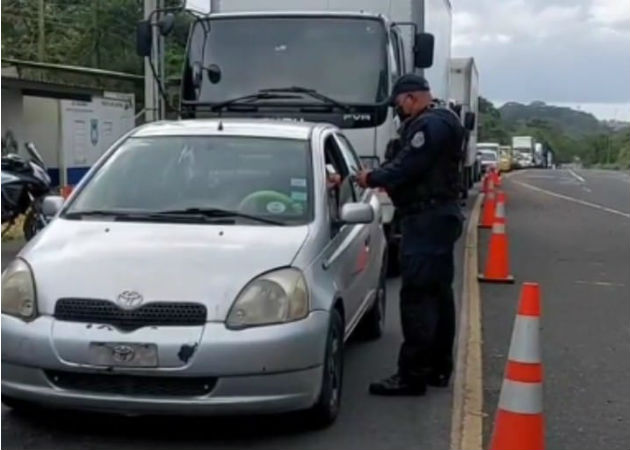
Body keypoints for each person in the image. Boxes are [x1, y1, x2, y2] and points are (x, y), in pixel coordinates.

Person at [357, 74, 465, 396]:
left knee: (418, 298)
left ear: (411, 98)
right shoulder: (442, 120)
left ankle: (413, 375)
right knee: (438, 295)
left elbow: (407, 166)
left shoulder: (430, 126)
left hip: (427, 219)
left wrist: (371, 176)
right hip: (435, 217)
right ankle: (437, 368)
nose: (398, 111)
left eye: (398, 104)